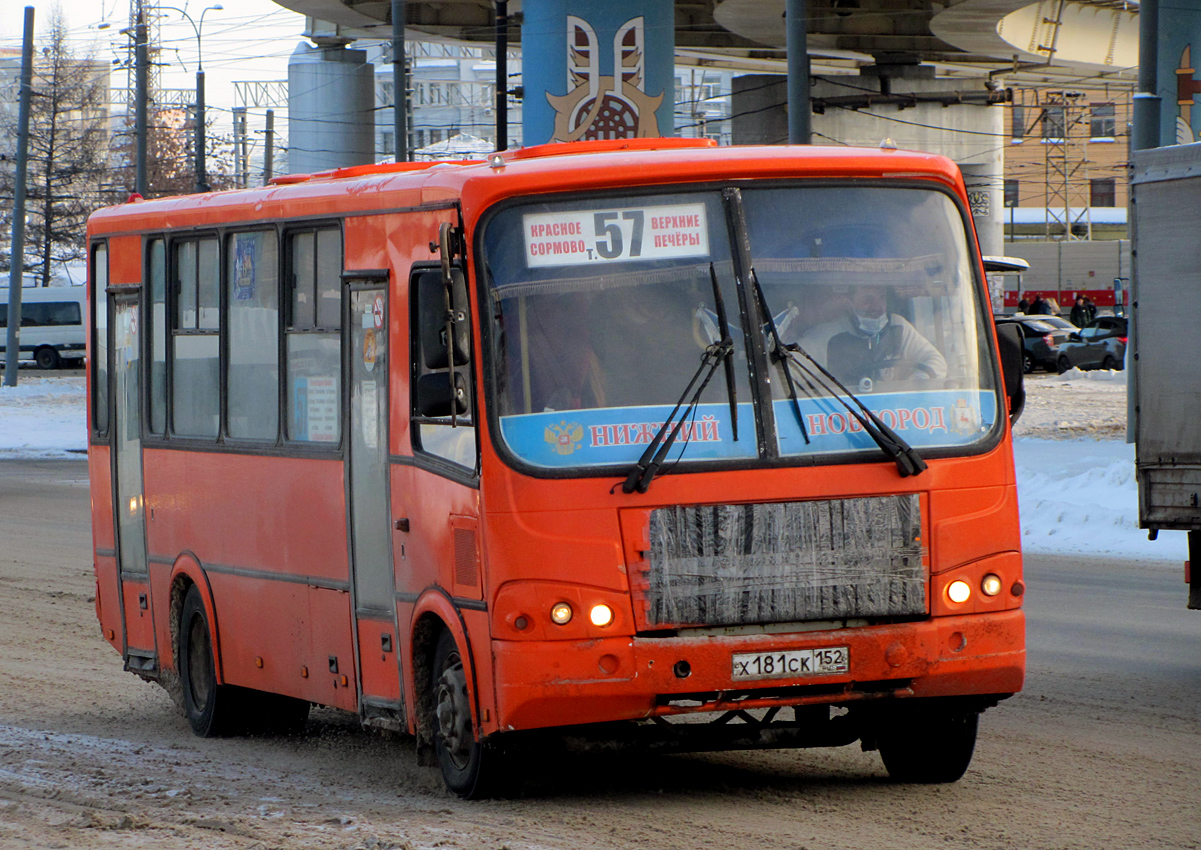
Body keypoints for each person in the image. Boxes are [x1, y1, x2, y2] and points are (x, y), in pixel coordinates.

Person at [797, 285, 947, 388]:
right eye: (867, 300)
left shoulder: (898, 327)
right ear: (848, 303)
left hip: (891, 418)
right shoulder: (827, 335)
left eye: (882, 298)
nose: (877, 307)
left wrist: (915, 385)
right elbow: (787, 373)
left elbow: (936, 362)